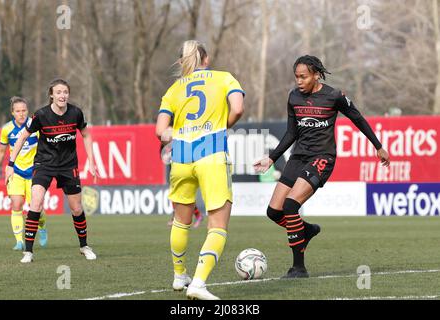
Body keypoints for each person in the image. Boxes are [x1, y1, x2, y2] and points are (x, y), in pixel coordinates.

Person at [254, 55, 390, 279]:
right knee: (273, 211)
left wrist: (378, 146)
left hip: (322, 157)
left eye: (303, 77)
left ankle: (299, 268)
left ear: (316, 75)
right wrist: (272, 158)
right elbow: (291, 133)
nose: (298, 81)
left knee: (290, 206)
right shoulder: (294, 97)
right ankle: (306, 230)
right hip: (298, 157)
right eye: (296, 77)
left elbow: (358, 119)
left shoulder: (334, 96)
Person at [156, 40, 245, 300]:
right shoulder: (224, 78)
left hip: (181, 158)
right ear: (206, 59)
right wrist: (222, 125)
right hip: (212, 155)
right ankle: (198, 283)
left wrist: (182, 134)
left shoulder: (173, 89)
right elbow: (238, 108)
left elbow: (160, 131)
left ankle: (178, 275)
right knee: (217, 224)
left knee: (181, 221)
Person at [5, 79, 98, 263]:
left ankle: (84, 246)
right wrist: (10, 164)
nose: (62, 95)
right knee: (36, 203)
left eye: (65, 92)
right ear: (51, 95)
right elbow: (23, 136)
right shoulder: (40, 115)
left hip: (68, 165)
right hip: (44, 165)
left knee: (76, 208)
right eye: (58, 92)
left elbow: (86, 134)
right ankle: (29, 252)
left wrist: (92, 162)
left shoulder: (76, 113)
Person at [0, 97, 48, 251]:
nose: (21, 114)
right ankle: (19, 241)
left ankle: (42, 228)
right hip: (15, 172)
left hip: (34, 172)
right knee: (16, 204)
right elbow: (1, 151)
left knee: (38, 209)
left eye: (24, 110)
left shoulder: (34, 126)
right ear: (12, 113)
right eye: (18, 111)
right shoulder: (7, 129)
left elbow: (45, 146)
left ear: (27, 111)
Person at [161, 140, 204, 228]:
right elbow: (163, 155)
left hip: (183, 171)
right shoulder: (167, 142)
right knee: (177, 197)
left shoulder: (181, 139)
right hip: (175, 172)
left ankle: (195, 216)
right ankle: (180, 217)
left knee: (184, 197)